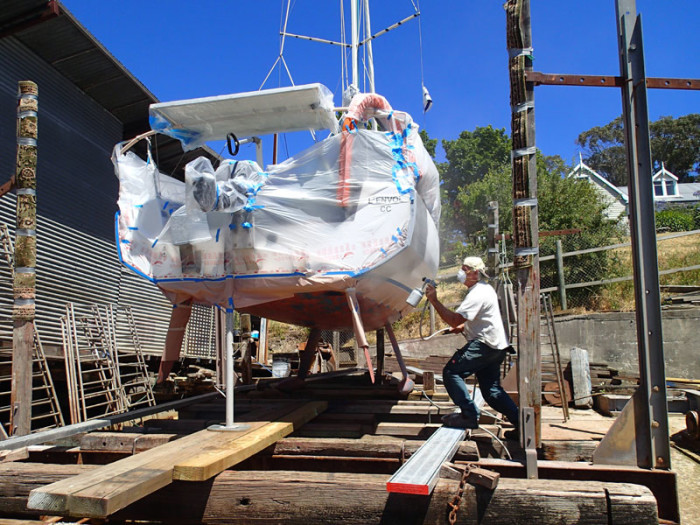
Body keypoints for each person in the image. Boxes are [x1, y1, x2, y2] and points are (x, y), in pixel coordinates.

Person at [425, 256, 518, 434]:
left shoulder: (476, 293)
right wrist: (463, 327)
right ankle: (520, 424)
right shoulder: (485, 289)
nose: (461, 272)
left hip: (484, 345)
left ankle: (468, 415)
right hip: (496, 346)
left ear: (475, 273)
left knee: (451, 372)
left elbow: (455, 319)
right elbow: (478, 318)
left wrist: (435, 301)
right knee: (491, 391)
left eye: (464, 269)